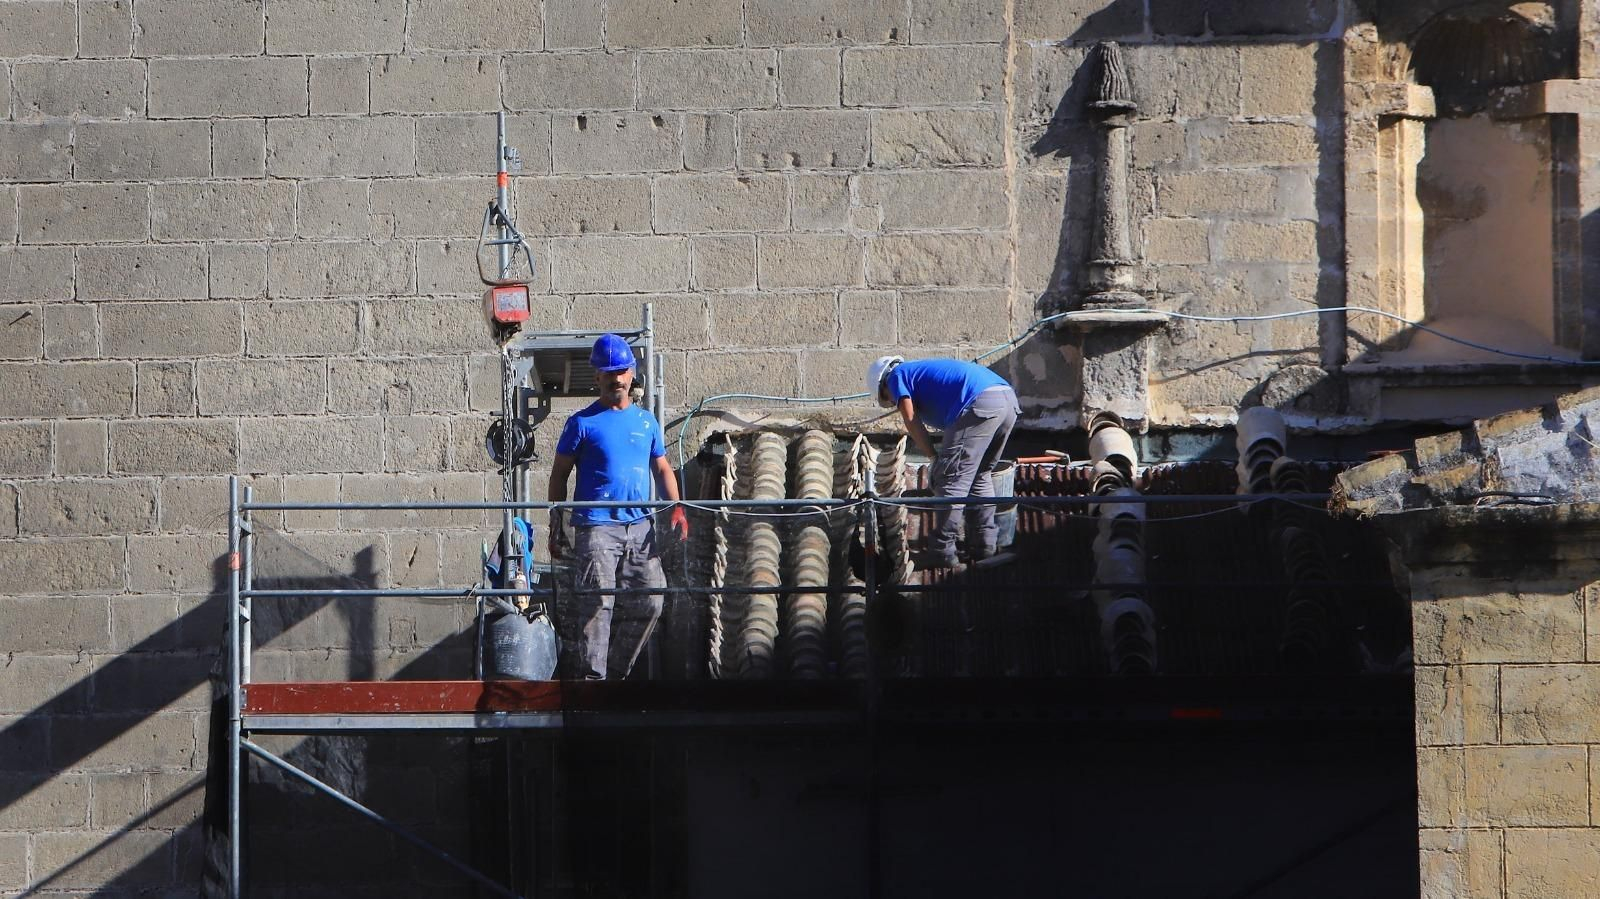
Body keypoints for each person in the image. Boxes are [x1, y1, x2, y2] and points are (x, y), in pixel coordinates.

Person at [548, 334, 689, 679]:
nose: (617, 378)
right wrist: (555, 520)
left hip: (640, 527)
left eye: (622, 371)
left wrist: (677, 508)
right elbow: (559, 474)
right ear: (596, 377)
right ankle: (594, 682)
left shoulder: (646, 422)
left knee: (653, 599)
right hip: (597, 527)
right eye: (609, 372)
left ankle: (615, 672)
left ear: (632, 374)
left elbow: (663, 468)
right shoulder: (581, 423)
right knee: (598, 603)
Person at [867, 356, 1019, 568]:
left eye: (888, 398)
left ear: (883, 383)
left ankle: (942, 551)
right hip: (1007, 401)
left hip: (979, 402)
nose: (893, 403)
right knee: (980, 475)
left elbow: (911, 420)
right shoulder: (919, 372)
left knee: (952, 478)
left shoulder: (896, 376)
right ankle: (985, 546)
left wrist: (932, 456)